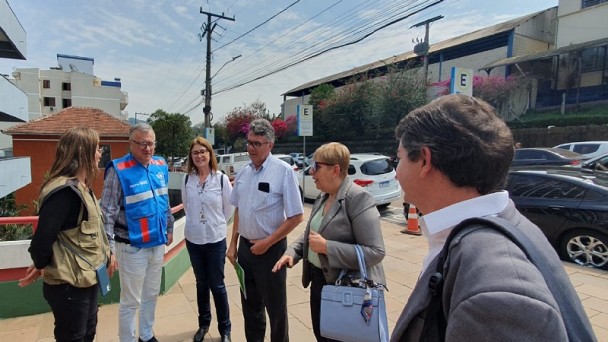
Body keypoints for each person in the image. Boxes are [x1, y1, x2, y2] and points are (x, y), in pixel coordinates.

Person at [390, 94, 595, 341]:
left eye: (399, 159)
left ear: (424, 160)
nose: (395, 174)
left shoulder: (499, 295)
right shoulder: (506, 223)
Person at [272, 142, 386, 342]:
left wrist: (328, 248)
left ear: (335, 170)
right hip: (320, 283)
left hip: (346, 288)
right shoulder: (324, 196)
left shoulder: (358, 198)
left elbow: (375, 251)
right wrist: (292, 253)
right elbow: (311, 234)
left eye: (316, 167)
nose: (312, 173)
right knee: (323, 334)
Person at [18, 127, 112, 342]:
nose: (100, 153)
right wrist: (41, 265)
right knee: (73, 337)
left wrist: (108, 254)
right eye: (97, 149)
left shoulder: (82, 188)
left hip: (87, 278)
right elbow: (42, 241)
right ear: (83, 151)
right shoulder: (64, 193)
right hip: (69, 285)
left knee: (88, 332)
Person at [226, 118, 304, 342]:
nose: (251, 148)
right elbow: (239, 209)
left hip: (271, 252)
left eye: (257, 144)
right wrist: (233, 244)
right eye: (249, 142)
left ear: (270, 145)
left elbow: (296, 216)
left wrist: (267, 243)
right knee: (251, 308)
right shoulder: (243, 172)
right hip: (245, 250)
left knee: (276, 310)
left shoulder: (283, 171)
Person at [101, 123, 174, 342]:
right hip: (131, 247)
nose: (147, 148)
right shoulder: (118, 170)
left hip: (157, 243)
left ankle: (146, 334)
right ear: (130, 143)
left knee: (151, 294)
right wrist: (110, 249)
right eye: (141, 143)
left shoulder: (160, 165)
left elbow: (164, 200)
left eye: (150, 143)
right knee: (131, 300)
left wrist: (169, 227)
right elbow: (107, 213)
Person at [181, 137, 234, 342]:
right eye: (195, 153)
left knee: (217, 285)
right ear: (191, 157)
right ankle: (204, 324)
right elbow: (187, 206)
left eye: (203, 151)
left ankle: (225, 330)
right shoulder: (187, 180)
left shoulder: (220, 179)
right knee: (201, 283)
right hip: (194, 239)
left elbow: (228, 209)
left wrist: (213, 224)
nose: (199, 155)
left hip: (215, 239)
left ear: (210, 154)